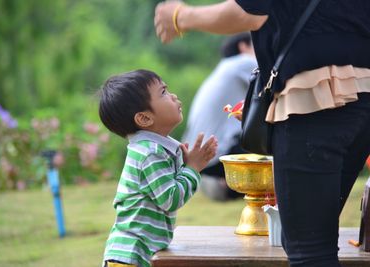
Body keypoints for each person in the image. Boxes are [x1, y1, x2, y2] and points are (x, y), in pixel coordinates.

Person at [154, 1, 370, 266]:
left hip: (315, 100)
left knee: (309, 249)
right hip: (363, 98)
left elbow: (249, 11)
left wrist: (181, 17)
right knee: (314, 235)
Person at [98, 69, 218, 267]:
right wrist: (193, 168)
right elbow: (170, 198)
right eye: (163, 92)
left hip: (138, 251)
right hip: (130, 255)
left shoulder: (155, 148)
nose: (173, 96)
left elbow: (164, 189)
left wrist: (185, 167)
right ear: (144, 119)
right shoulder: (149, 153)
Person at [182, 33, 256, 201]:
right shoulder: (242, 62)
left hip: (199, 157)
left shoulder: (222, 70)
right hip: (218, 153)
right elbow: (278, 73)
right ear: (243, 47)